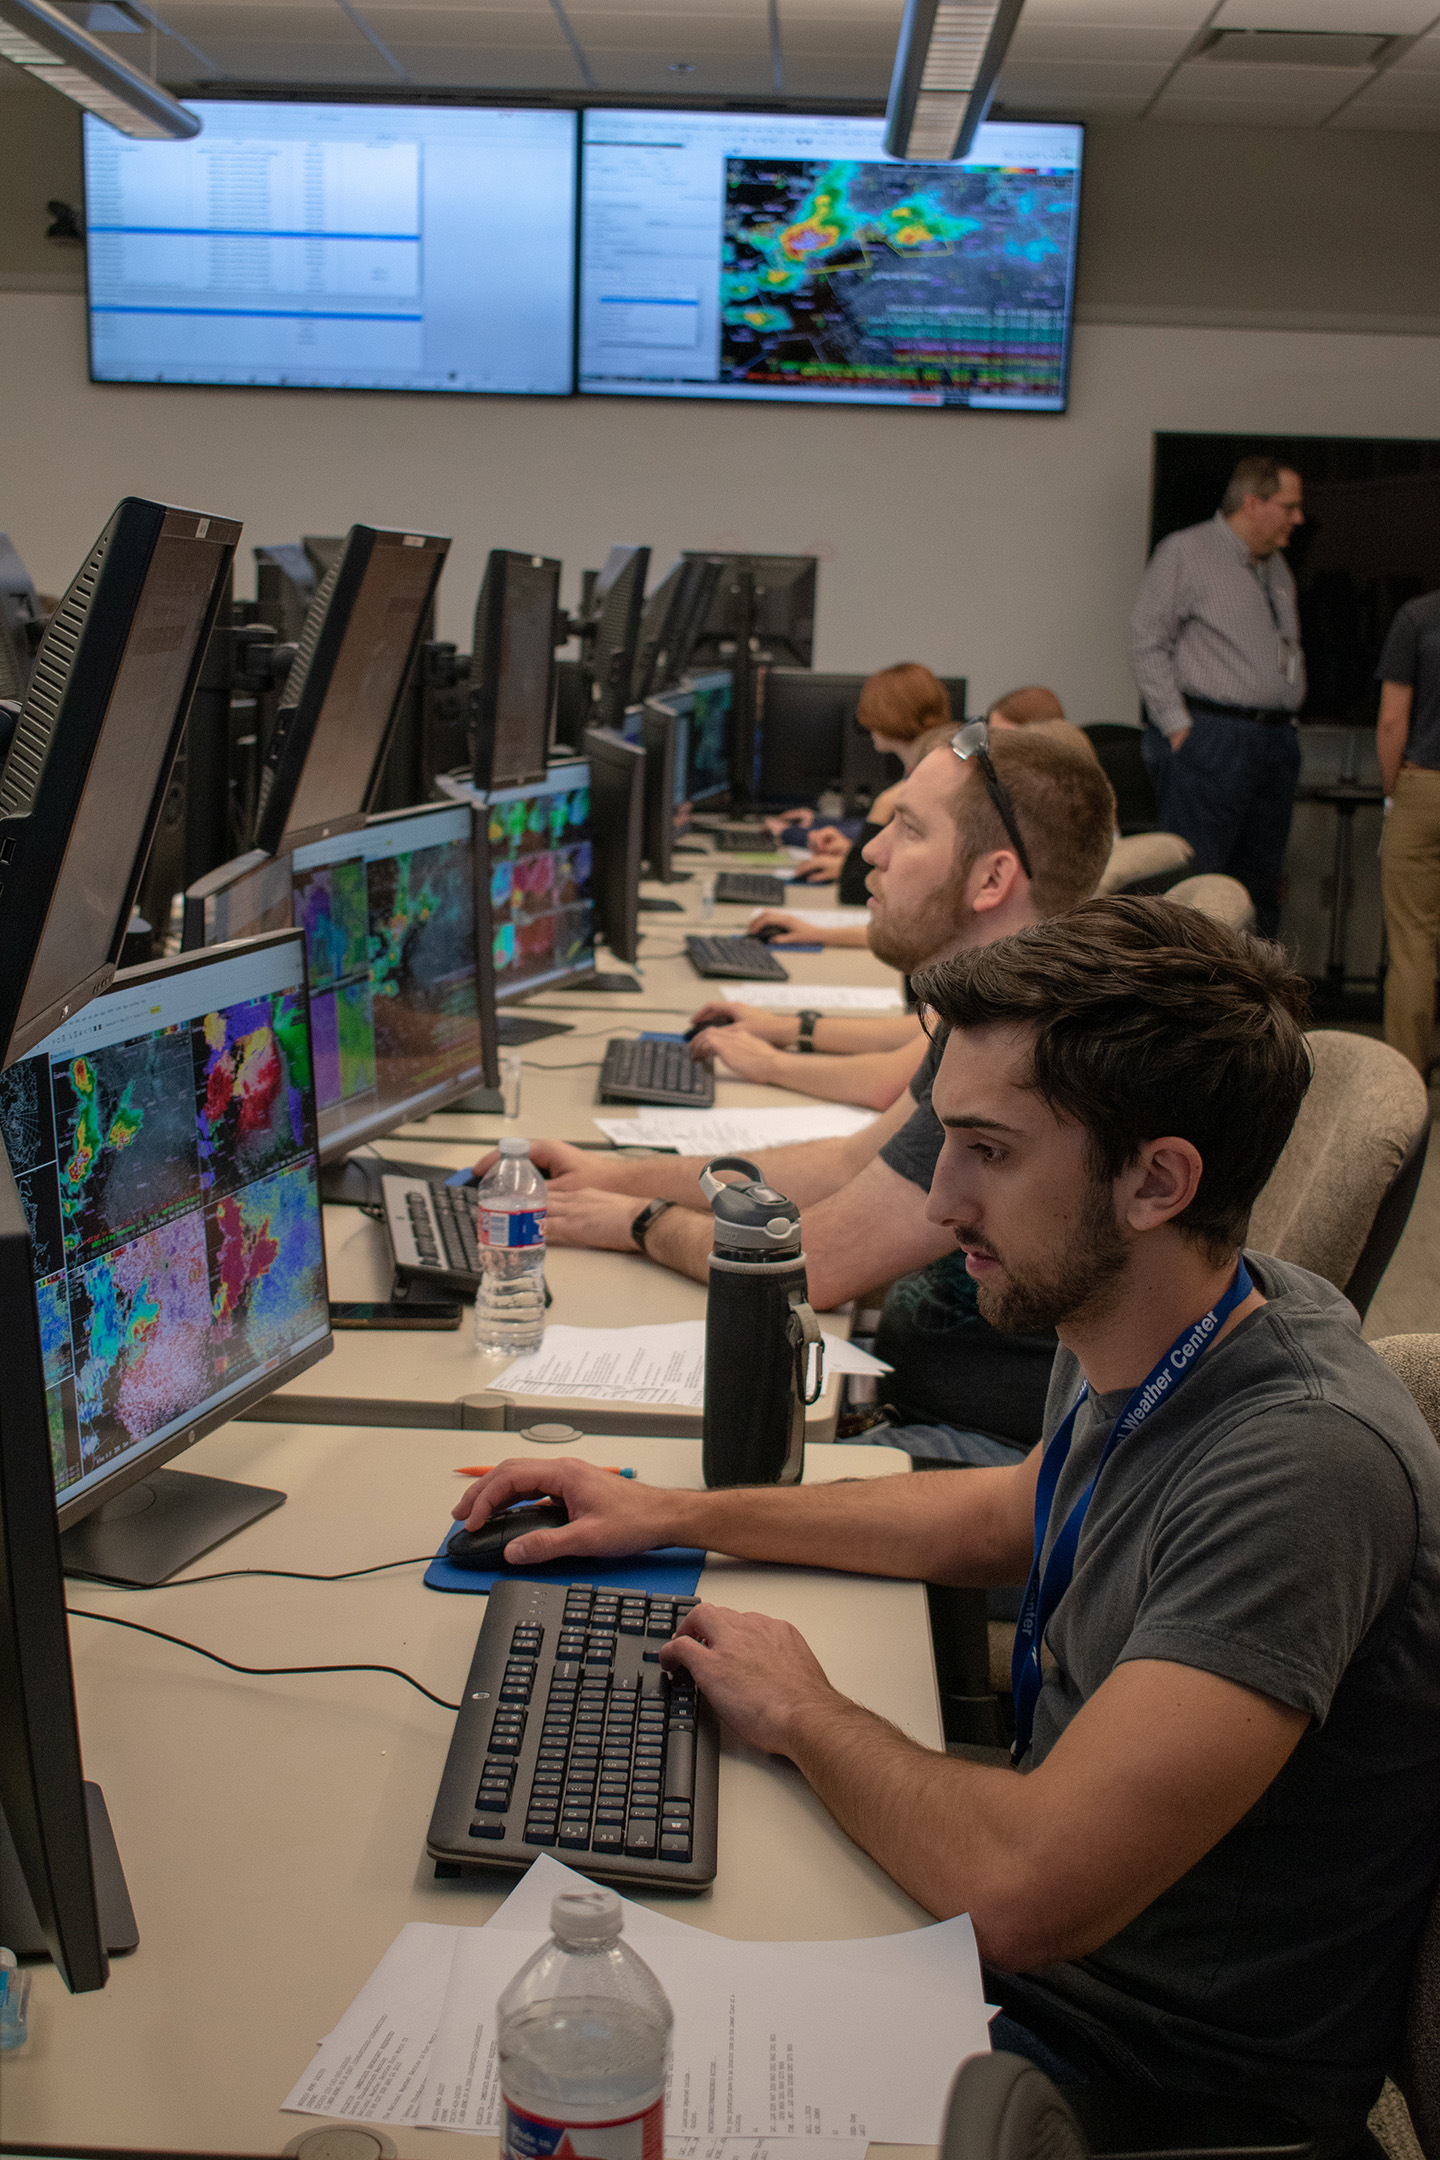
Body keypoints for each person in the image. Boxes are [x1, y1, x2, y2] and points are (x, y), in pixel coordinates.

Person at [456, 896, 1440, 2148]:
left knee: (550, 2060)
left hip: (1118, 2076)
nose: (940, 1205)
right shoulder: (1168, 1317)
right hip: (1018, 1972)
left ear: (1157, 1182)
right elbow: (1009, 1510)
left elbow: (1021, 1890)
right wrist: (669, 1512)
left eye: (991, 1151)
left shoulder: (1303, 1465)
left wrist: (805, 1708)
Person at [478, 726, 1117, 1462]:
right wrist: (611, 1175)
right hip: (912, 1403)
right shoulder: (996, 1010)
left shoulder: (1023, 1047)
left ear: (992, 880)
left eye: (907, 829)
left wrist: (638, 1221)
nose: (870, 851)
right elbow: (848, 1164)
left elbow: (813, 1266)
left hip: (981, 1456)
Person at [1130, 455, 1306, 937]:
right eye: (1289, 506)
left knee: (1261, 883)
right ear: (1253, 503)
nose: (1299, 518)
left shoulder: (1275, 566)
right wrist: (1178, 729)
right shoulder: (1186, 553)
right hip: (1212, 737)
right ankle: (1183, 1001)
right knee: (1196, 883)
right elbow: (1147, 641)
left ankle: (1254, 1002)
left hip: (1274, 740)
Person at [1376, 587, 1440, 1077]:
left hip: (1425, 786)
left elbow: (1392, 720)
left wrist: (1394, 791)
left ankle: (1406, 1083)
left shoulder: (1418, 615)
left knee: (1412, 941)